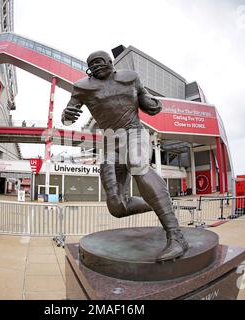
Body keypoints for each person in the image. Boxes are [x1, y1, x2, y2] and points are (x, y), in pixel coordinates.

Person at [61, 51, 188, 262]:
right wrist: (67, 115)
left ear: (111, 62)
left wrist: (152, 103)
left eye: (100, 62)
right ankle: (158, 201)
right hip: (111, 142)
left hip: (134, 132)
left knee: (138, 164)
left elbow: (148, 104)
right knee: (117, 206)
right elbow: (67, 119)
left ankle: (176, 235)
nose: (96, 66)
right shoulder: (82, 87)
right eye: (92, 64)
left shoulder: (130, 77)